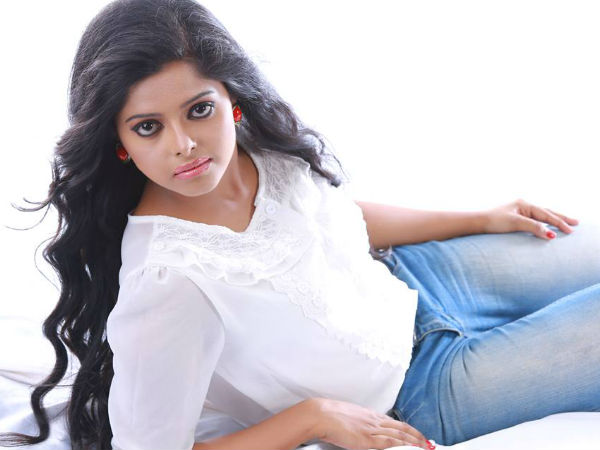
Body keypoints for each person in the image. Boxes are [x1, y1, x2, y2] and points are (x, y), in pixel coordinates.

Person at [1, 0, 598, 449]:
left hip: (418, 281)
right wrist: (311, 419)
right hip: (425, 390)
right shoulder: (166, 280)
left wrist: (478, 218)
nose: (184, 144)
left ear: (231, 99)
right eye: (148, 127)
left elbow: (332, 220)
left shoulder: (256, 150)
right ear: (120, 143)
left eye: (199, 110)